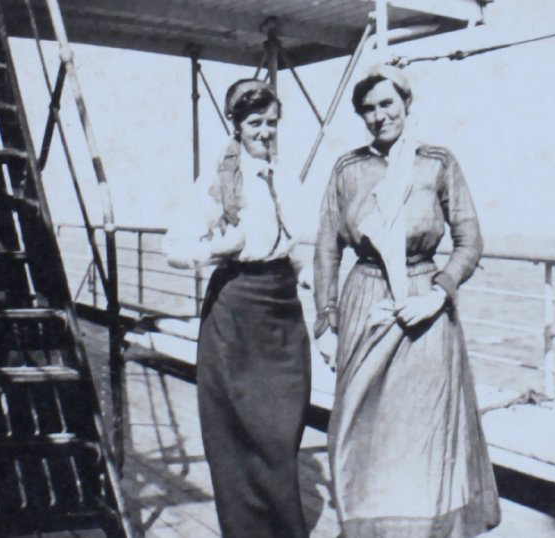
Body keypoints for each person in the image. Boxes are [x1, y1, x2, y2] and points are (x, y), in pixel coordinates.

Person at [313, 64, 501, 537]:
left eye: (387, 104)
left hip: (425, 306)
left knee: (425, 430)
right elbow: (326, 247)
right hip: (367, 298)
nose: (378, 117)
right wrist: (326, 318)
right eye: (368, 109)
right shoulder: (348, 168)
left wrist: (439, 293)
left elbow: (469, 241)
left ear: (406, 104)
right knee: (356, 427)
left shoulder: (437, 162)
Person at [162, 79, 310, 538]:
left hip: (282, 310)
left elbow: (298, 246)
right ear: (237, 126)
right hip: (236, 309)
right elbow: (174, 246)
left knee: (282, 431)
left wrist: (316, 290)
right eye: (254, 123)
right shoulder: (218, 179)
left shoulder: (285, 176)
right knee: (243, 433)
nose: (265, 132)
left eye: (271, 122)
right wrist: (220, 247)